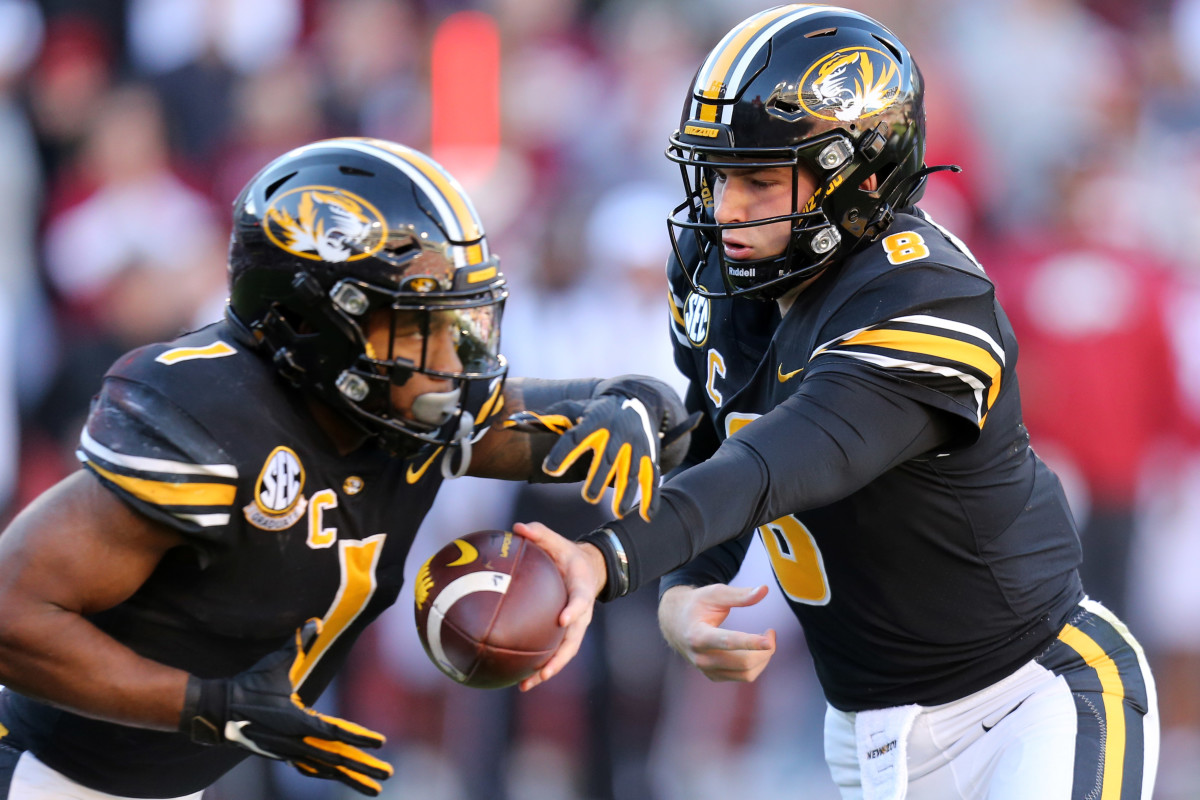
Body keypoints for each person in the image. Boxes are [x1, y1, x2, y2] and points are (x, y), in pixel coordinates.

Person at [519, 6, 1161, 799]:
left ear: (855, 176)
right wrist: (686, 588)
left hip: (1031, 700)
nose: (726, 210)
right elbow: (728, 429)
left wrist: (605, 557)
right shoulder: (731, 273)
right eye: (720, 176)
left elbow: (776, 461)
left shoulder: (924, 295)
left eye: (758, 180)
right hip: (867, 730)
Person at [0, 136, 695, 799]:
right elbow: (11, 612)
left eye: (460, 326)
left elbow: (630, 426)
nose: (453, 362)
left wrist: (634, 401)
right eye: (419, 325)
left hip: (168, 783)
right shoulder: (213, 420)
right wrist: (210, 707)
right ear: (314, 321)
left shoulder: (403, 410)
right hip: (41, 776)